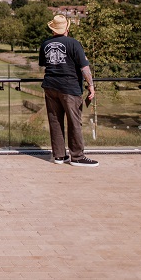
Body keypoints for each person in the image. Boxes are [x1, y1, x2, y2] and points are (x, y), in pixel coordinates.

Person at [39, 14, 98, 167]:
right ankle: (77, 156)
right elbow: (84, 67)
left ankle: (59, 155)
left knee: (55, 121)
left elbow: (43, 64)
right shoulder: (74, 43)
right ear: (67, 28)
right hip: (70, 87)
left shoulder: (45, 44)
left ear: (53, 29)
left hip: (50, 86)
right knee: (74, 122)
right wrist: (90, 85)